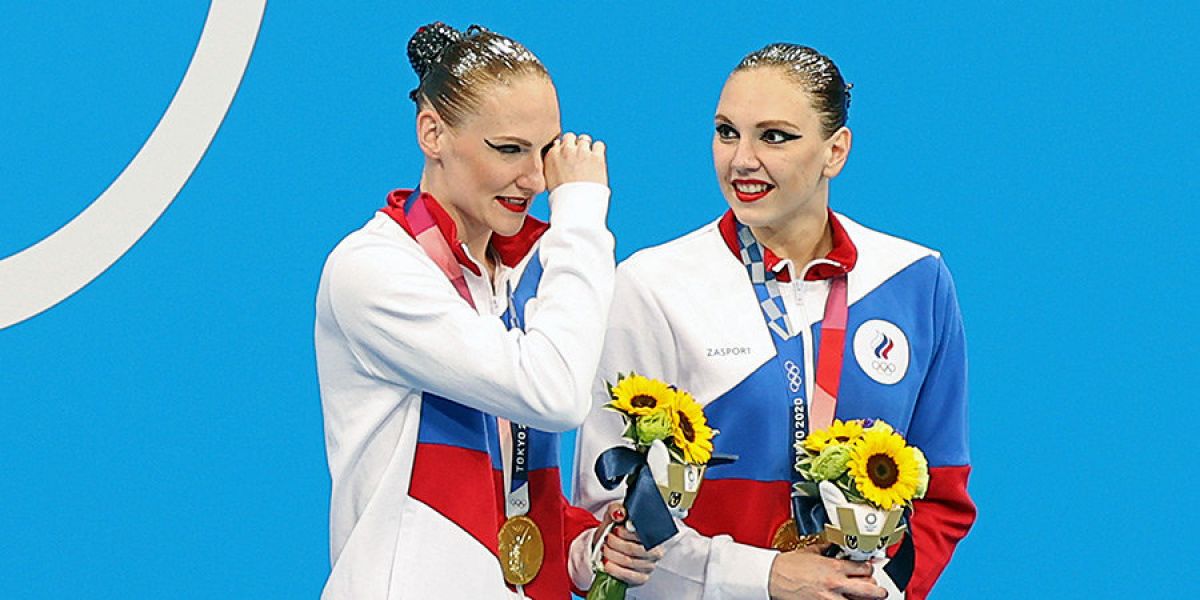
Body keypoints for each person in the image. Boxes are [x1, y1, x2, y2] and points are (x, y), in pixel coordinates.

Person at [573, 43, 976, 600]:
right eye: (726, 132)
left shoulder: (914, 280)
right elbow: (608, 516)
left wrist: (872, 590)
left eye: (774, 136)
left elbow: (943, 494)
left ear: (835, 151)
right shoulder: (652, 285)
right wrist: (761, 577)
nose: (741, 159)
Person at [316, 22, 660, 599]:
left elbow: (508, 478)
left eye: (546, 152)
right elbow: (553, 393)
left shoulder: (528, 272)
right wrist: (580, 215)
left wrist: (580, 550)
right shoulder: (374, 270)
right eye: (508, 149)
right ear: (432, 133)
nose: (535, 179)